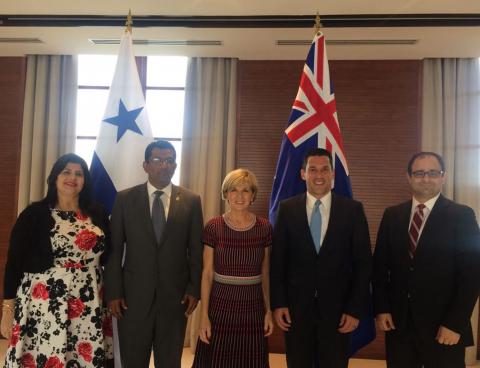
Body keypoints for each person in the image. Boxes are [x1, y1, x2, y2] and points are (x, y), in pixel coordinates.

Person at [0, 153, 113, 367]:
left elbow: (109, 255)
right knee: (44, 356)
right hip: (42, 304)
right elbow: (14, 263)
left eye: (79, 174)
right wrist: (7, 310)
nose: (73, 178)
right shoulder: (34, 214)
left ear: (85, 181)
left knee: (81, 359)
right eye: (66, 172)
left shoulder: (97, 214)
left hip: (88, 301)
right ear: (54, 178)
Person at [373, 151, 480, 368]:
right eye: (419, 173)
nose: (426, 178)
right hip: (399, 324)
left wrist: (455, 323)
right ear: (409, 177)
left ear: (443, 176)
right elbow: (379, 267)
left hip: (443, 327)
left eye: (433, 173)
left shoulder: (462, 215)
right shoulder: (392, 215)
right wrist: (382, 308)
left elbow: (472, 274)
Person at [104, 140, 204, 368]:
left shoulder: (191, 201)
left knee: (169, 361)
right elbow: (115, 250)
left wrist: (193, 288)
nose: (164, 166)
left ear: (175, 165)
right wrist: (114, 292)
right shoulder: (124, 199)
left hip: (175, 298)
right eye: (157, 160)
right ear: (146, 165)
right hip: (132, 299)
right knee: (133, 360)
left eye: (169, 161)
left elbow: (196, 250)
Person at [270, 148, 372, 368]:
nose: (319, 175)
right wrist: (279, 303)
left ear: (333, 174)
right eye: (312, 169)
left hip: (339, 311)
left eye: (325, 169)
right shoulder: (287, 209)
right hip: (296, 310)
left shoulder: (352, 210)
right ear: (302, 173)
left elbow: (363, 263)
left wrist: (354, 309)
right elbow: (278, 261)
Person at [192, 168, 274, 368]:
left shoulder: (264, 228)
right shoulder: (213, 227)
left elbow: (265, 272)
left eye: (246, 190)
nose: (239, 196)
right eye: (233, 190)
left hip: (252, 308)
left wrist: (269, 310)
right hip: (220, 307)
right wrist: (204, 316)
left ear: (253, 195)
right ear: (226, 194)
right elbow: (207, 273)